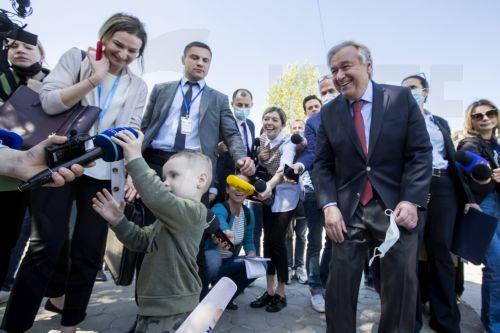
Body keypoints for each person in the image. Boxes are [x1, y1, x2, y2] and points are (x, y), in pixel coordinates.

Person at [1, 13, 148, 333]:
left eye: (132, 51)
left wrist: (132, 166)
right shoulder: (77, 59)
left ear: (139, 54)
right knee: (46, 244)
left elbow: (134, 129)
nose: (123, 55)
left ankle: (71, 325)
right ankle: (16, 325)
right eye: (118, 45)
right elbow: (49, 102)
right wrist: (92, 80)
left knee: (89, 249)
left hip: (102, 170)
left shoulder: (138, 85)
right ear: (104, 37)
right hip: (57, 161)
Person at [313, 41, 432, 333]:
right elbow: (322, 165)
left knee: (400, 290)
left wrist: (411, 200)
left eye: (346, 66)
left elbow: (420, 153)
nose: (339, 75)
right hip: (348, 212)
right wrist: (329, 206)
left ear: (368, 65)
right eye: (334, 70)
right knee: (339, 288)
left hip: (396, 209)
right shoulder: (329, 114)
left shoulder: (401, 98)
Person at [92, 130, 211, 332]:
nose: (165, 182)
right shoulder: (165, 221)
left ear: (200, 180)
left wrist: (135, 160)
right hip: (152, 306)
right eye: (164, 177)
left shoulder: (194, 212)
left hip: (174, 309)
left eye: (173, 175)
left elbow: (157, 197)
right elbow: (139, 240)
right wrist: (119, 221)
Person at [402, 74, 478, 333]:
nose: (408, 92)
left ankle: (445, 318)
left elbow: (454, 161)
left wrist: (468, 198)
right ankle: (408, 320)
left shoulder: (440, 122)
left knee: (442, 254)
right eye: (404, 90)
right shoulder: (397, 121)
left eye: (412, 88)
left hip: (445, 186)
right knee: (409, 252)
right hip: (415, 186)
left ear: (425, 92)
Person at [0, 37, 50, 298]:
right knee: (7, 234)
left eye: (28, 47)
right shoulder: (1, 79)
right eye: (13, 46)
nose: (20, 50)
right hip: (6, 174)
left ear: (42, 54)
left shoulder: (55, 82)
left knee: (40, 234)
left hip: (44, 170)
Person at [249, 106, 301, 313]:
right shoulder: (262, 141)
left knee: (277, 241)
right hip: (266, 196)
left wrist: (269, 186)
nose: (269, 122)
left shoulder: (288, 142)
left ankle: (281, 293)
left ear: (282, 124)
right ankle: (269, 291)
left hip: (286, 195)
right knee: (266, 240)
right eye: (266, 118)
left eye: (274, 119)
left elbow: (284, 169)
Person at [457, 99, 500, 333]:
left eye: (490, 113)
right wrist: (484, 173)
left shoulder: (497, 146)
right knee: (496, 265)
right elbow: (465, 164)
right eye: (478, 115)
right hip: (483, 207)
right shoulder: (469, 144)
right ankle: (494, 326)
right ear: (471, 121)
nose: (485, 118)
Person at [290, 94, 332, 312]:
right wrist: (300, 166)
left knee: (334, 240)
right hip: (313, 190)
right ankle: (315, 288)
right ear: (306, 112)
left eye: (317, 106)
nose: (314, 109)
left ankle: (323, 282)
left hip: (337, 190)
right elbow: (312, 153)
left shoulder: (338, 119)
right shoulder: (310, 127)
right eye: (310, 107)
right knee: (314, 240)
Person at [204, 174, 256, 310]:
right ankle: (204, 295)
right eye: (235, 186)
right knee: (213, 260)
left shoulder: (249, 213)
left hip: (228, 261)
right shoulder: (220, 208)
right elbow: (219, 220)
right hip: (210, 262)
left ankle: (224, 298)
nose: (239, 190)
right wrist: (226, 232)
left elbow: (249, 240)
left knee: (258, 267)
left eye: (243, 187)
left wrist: (251, 254)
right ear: (227, 189)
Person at [286, 119, 308, 284]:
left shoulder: (309, 148)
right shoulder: (287, 148)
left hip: (305, 198)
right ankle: (287, 267)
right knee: (288, 235)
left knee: (301, 234)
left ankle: (299, 267)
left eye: (300, 127)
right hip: (287, 199)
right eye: (294, 128)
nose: (297, 130)